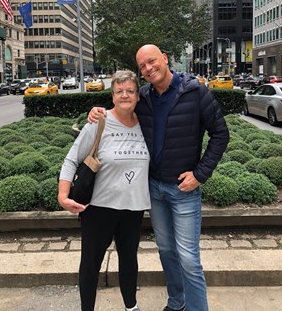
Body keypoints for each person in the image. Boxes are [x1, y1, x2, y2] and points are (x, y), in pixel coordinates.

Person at [88, 45, 229, 311]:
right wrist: (99, 113)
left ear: (165, 58)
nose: (148, 68)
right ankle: (176, 302)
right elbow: (121, 107)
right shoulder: (144, 96)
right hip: (154, 189)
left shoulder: (196, 92)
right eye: (142, 66)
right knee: (165, 250)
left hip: (184, 190)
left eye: (151, 61)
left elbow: (221, 134)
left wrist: (200, 174)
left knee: (188, 258)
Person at [58, 70, 150, 311]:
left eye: (130, 91)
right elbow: (70, 160)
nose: (125, 95)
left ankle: (131, 306)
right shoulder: (99, 123)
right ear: (112, 96)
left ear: (138, 96)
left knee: (129, 262)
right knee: (90, 264)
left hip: (133, 208)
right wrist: (63, 195)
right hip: (98, 208)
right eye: (119, 91)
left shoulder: (147, 124)